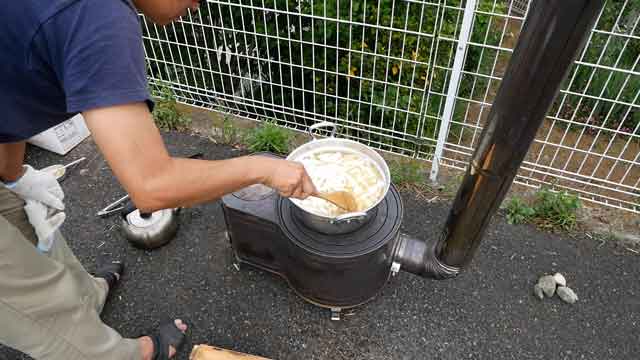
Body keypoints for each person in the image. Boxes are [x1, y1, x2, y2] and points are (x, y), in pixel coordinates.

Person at [0, 1, 317, 359]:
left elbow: (9, 94)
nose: (198, 3)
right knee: (34, 302)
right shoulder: (95, 16)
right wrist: (263, 167)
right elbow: (152, 185)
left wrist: (14, 178)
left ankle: (86, 298)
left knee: (31, 227)